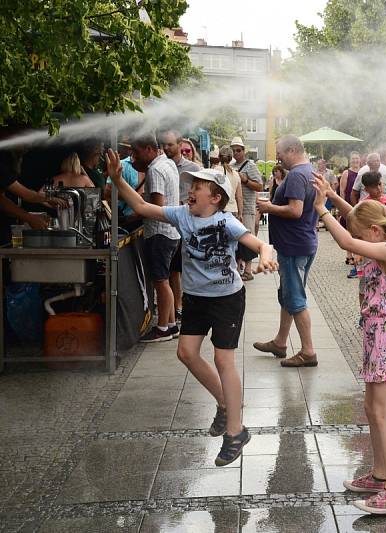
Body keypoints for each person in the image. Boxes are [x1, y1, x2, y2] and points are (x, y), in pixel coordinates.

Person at [107, 149, 277, 467]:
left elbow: (258, 243)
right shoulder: (183, 216)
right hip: (197, 298)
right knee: (186, 353)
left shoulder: (226, 221)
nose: (190, 191)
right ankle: (225, 405)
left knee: (223, 359)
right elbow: (143, 206)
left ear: (215, 197)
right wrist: (117, 180)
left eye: (196, 187)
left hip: (227, 298)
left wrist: (267, 254)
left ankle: (235, 432)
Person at [313, 174, 386, 515]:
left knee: (385, 414)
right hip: (375, 331)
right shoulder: (383, 234)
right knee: (373, 409)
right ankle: (381, 472)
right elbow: (359, 217)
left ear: (373, 232)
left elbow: (349, 243)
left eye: (360, 233)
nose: (357, 238)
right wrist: (333, 197)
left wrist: (323, 211)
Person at [255, 135, 319, 367]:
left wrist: (268, 207)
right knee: (288, 295)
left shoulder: (296, 176)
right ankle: (280, 342)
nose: (277, 158)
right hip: (303, 242)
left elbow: (295, 211)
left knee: (295, 298)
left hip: (293, 246)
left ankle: (308, 352)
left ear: (292, 150)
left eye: (280, 153)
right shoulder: (310, 171)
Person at [132, 133, 182, 342]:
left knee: (161, 282)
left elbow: (157, 205)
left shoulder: (155, 169)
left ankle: (161, 328)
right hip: (171, 233)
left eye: (136, 152)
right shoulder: (168, 163)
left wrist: (132, 216)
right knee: (167, 280)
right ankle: (170, 325)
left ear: (149, 149)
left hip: (159, 232)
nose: (133, 157)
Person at [160, 129, 202, 325]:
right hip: (168, 223)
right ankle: (177, 308)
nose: (166, 147)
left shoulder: (192, 168)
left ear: (179, 144)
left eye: (170, 144)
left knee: (186, 268)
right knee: (173, 271)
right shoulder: (162, 166)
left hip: (186, 224)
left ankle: (185, 306)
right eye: (164, 144)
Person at [231, 136, 265, 280]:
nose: (236, 153)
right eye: (233, 150)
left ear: (244, 151)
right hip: (235, 208)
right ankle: (239, 268)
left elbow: (259, 186)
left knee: (248, 240)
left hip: (248, 208)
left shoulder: (250, 166)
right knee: (237, 240)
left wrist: (245, 180)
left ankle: (248, 270)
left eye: (238, 150)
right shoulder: (231, 166)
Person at [104, 138, 144, 230]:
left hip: (144, 221)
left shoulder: (151, 165)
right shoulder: (121, 165)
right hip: (128, 220)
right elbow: (107, 191)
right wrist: (132, 198)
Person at [216, 145, 245, 220]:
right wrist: (240, 214)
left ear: (219, 156)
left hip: (220, 210)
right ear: (231, 158)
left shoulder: (216, 170)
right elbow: (239, 197)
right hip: (233, 211)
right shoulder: (236, 174)